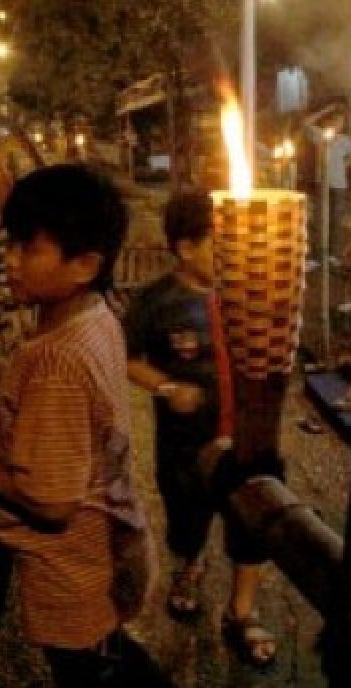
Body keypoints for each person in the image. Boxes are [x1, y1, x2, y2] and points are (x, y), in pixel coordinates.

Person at [0, 164, 164, 688]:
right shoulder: (95, 315)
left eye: (28, 249)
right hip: (112, 547)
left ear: (85, 265)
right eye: (12, 243)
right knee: (107, 656)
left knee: (89, 670)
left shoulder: (55, 363)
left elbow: (52, 505)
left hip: (74, 574)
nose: (9, 260)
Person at [124, 190, 277, 667]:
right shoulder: (155, 301)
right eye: (219, 244)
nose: (231, 256)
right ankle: (189, 567)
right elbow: (128, 361)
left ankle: (241, 611)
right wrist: (169, 387)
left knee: (254, 519)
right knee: (187, 515)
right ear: (186, 248)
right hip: (184, 443)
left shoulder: (250, 293)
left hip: (249, 437)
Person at [305, 101, 351, 262]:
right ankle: (317, 254)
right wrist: (327, 108)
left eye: (341, 122)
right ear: (328, 122)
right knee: (320, 219)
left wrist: (343, 167)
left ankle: (333, 255)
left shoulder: (345, 140)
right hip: (323, 183)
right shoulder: (320, 135)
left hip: (339, 185)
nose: (338, 125)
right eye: (335, 121)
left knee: (335, 220)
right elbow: (305, 124)